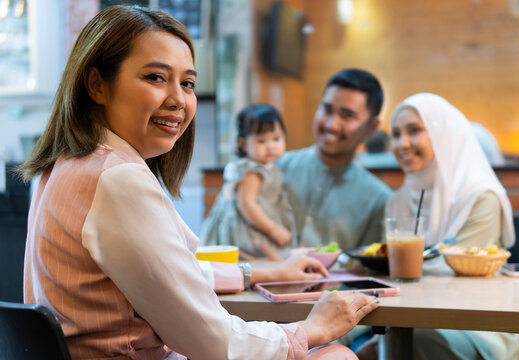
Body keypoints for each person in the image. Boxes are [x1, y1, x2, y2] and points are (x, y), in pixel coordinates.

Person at [18, 5, 379, 360]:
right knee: (335, 355)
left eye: (187, 83)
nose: (178, 99)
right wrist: (313, 328)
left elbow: (169, 272)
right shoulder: (116, 178)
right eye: (156, 77)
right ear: (97, 84)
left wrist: (262, 273)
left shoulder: (59, 165)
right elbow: (211, 341)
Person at [374, 92, 519, 360]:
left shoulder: (480, 197)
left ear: (443, 134)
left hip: (480, 323)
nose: (402, 144)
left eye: (414, 130)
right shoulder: (396, 204)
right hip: (407, 318)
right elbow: (389, 269)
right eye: (395, 134)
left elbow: (455, 274)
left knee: (412, 341)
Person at [276, 68, 392, 251]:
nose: (331, 124)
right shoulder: (276, 168)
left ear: (371, 127)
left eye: (347, 116)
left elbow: (364, 269)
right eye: (327, 109)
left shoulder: (378, 200)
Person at [201, 103, 296, 261]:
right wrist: (273, 229)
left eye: (276, 138)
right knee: (260, 261)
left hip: (256, 226)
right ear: (243, 143)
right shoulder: (252, 171)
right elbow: (247, 204)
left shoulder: (267, 167)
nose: (271, 146)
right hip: (250, 231)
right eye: (261, 141)